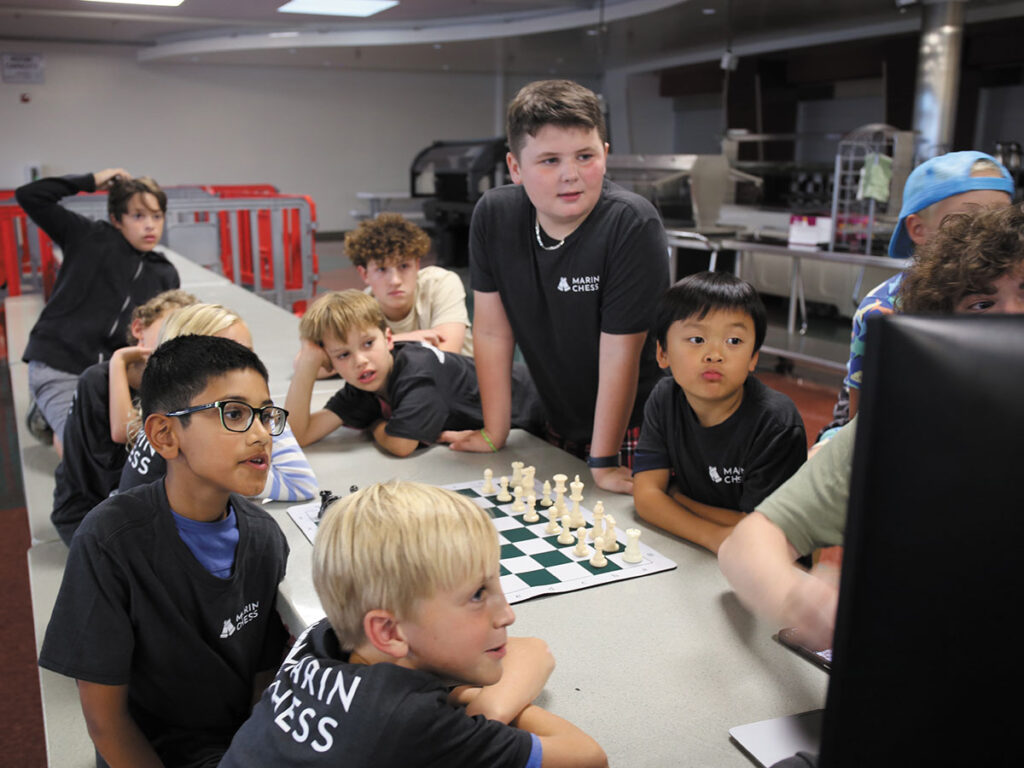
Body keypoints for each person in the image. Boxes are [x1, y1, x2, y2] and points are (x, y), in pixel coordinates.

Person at [718, 202, 1024, 652]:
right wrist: (801, 598)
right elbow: (747, 546)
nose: (1012, 320)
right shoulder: (905, 424)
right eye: (981, 303)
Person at [219, 480, 607, 768]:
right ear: (388, 632)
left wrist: (460, 696)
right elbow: (588, 757)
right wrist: (484, 712)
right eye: (478, 594)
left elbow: (533, 651)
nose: (507, 614)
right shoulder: (407, 723)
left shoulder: (323, 638)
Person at [38, 335, 291, 768]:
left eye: (266, 415)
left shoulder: (266, 539)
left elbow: (262, 681)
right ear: (165, 435)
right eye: (234, 414)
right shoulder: (110, 540)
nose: (261, 435)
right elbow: (106, 722)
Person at [445, 79, 669, 494]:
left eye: (585, 156)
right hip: (557, 415)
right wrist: (494, 431)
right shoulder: (494, 216)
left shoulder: (631, 223)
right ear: (515, 168)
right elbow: (492, 332)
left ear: (605, 154)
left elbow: (620, 353)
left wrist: (604, 460)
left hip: (633, 427)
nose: (571, 175)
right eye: (549, 160)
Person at [817, 151, 1013, 443]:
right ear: (918, 229)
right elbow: (862, 429)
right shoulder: (885, 310)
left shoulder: (1013, 294)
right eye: (969, 223)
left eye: (1000, 220)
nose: (989, 236)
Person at [632, 272, 806, 554]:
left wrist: (677, 498)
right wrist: (714, 537)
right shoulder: (665, 398)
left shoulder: (776, 423)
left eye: (734, 341)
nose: (714, 354)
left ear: (753, 357)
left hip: (772, 561)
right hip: (701, 549)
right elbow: (646, 497)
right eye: (697, 338)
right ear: (662, 353)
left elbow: (762, 530)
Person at [16, 169, 180, 456]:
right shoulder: (88, 236)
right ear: (116, 219)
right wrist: (90, 181)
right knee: (81, 447)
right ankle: (50, 414)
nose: (149, 226)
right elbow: (29, 196)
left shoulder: (164, 272)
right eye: (138, 216)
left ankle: (51, 414)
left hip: (110, 374)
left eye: (157, 216)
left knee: (121, 446)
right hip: (59, 364)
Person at [287, 290, 544, 457]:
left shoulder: (418, 371)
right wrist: (308, 363)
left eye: (368, 344)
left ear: (389, 339)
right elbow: (298, 435)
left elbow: (401, 445)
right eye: (343, 355)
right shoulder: (365, 383)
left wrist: (374, 424)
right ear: (329, 361)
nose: (360, 361)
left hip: (539, 411)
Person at [118, 303, 317, 502]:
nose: (243, 368)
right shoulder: (188, 445)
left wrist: (258, 408)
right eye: (224, 358)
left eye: (247, 355)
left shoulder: (174, 415)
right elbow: (300, 483)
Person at [50, 289, 197, 546]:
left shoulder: (173, 384)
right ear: (139, 329)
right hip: (88, 513)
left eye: (183, 335)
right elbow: (117, 451)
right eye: (167, 330)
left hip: (137, 505)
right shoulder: (97, 381)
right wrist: (118, 361)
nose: (172, 340)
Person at [346, 212, 473, 355]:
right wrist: (405, 339)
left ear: (417, 265)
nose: (395, 281)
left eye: (404, 266)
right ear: (364, 274)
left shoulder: (440, 283)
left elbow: (445, 355)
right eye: (381, 269)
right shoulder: (358, 310)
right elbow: (334, 357)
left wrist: (373, 345)